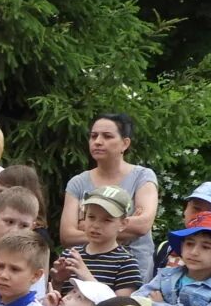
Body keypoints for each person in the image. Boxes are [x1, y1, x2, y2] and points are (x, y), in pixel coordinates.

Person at [60, 113, 161, 279]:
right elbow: (67, 235)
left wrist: (85, 225)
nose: (98, 141)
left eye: (107, 136)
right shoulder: (77, 182)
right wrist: (118, 226)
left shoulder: (142, 176)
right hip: (88, 266)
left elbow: (143, 224)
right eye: (93, 136)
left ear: (125, 143)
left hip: (133, 270)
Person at [54, 185, 143, 296]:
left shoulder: (126, 262)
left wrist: (87, 277)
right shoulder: (70, 254)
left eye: (107, 220)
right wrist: (57, 282)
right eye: (91, 217)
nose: (96, 225)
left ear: (123, 224)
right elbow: (55, 300)